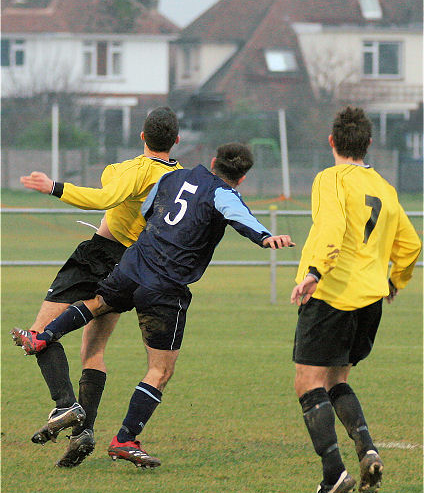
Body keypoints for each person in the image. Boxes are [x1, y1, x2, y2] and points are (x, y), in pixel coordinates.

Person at [13, 142, 295, 469]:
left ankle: (43, 337)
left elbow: (148, 211)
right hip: (165, 287)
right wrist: (265, 237)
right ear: (243, 178)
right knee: (160, 370)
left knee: (97, 303)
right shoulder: (224, 192)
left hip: (133, 264)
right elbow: (239, 216)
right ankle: (125, 439)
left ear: (213, 160)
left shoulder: (175, 177)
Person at [16, 106, 182, 468]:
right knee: (93, 351)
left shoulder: (132, 169)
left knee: (39, 334)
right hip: (132, 266)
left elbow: (105, 196)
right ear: (177, 141)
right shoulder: (180, 178)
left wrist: (54, 187)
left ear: (142, 136)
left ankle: (66, 405)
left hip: (99, 255)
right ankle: (83, 433)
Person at [290, 107, 421, 493]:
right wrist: (395, 279)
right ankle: (367, 450)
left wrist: (314, 270)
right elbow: (411, 244)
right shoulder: (384, 186)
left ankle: (334, 475)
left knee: (307, 383)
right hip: (369, 300)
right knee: (336, 381)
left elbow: (331, 226)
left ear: (332, 142)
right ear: (368, 144)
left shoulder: (330, 179)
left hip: (333, 294)